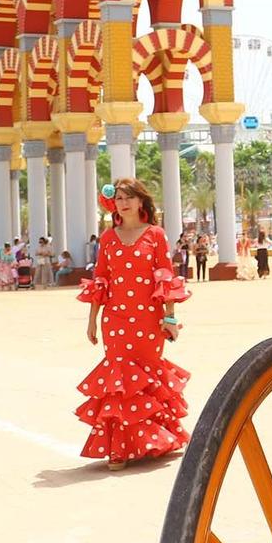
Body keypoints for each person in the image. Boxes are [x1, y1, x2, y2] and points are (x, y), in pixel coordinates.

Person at [76, 179, 188, 470]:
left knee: (148, 375)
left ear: (141, 202)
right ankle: (119, 449)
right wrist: (92, 320)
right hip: (115, 320)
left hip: (148, 321)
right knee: (119, 381)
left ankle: (154, 440)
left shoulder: (156, 235)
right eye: (119, 198)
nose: (123, 202)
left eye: (129, 197)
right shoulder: (108, 238)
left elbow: (164, 275)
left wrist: (170, 318)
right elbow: (101, 278)